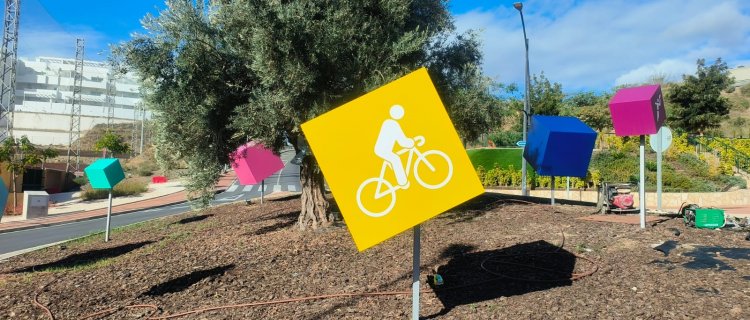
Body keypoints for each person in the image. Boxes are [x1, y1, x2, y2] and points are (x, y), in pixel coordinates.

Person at [374, 104, 414, 188]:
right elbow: (402, 141)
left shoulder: (389, 122)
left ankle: (397, 177)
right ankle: (403, 183)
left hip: (385, 149)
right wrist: (411, 143)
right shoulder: (392, 124)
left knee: (395, 158)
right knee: (396, 159)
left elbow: (400, 140)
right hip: (382, 150)